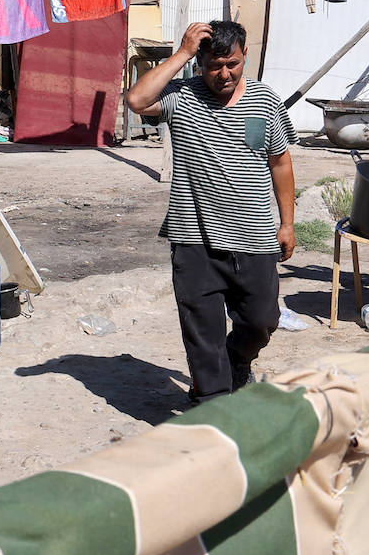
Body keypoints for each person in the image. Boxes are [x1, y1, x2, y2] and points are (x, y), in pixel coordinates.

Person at [124, 20, 296, 403]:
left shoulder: (266, 101)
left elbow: (280, 162)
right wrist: (182, 53)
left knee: (262, 320)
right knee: (203, 335)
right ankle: (211, 407)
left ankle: (237, 361)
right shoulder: (182, 95)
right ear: (200, 62)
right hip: (194, 240)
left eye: (232, 64)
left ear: (245, 55)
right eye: (214, 66)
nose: (224, 74)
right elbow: (136, 100)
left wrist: (287, 223)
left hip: (254, 238)